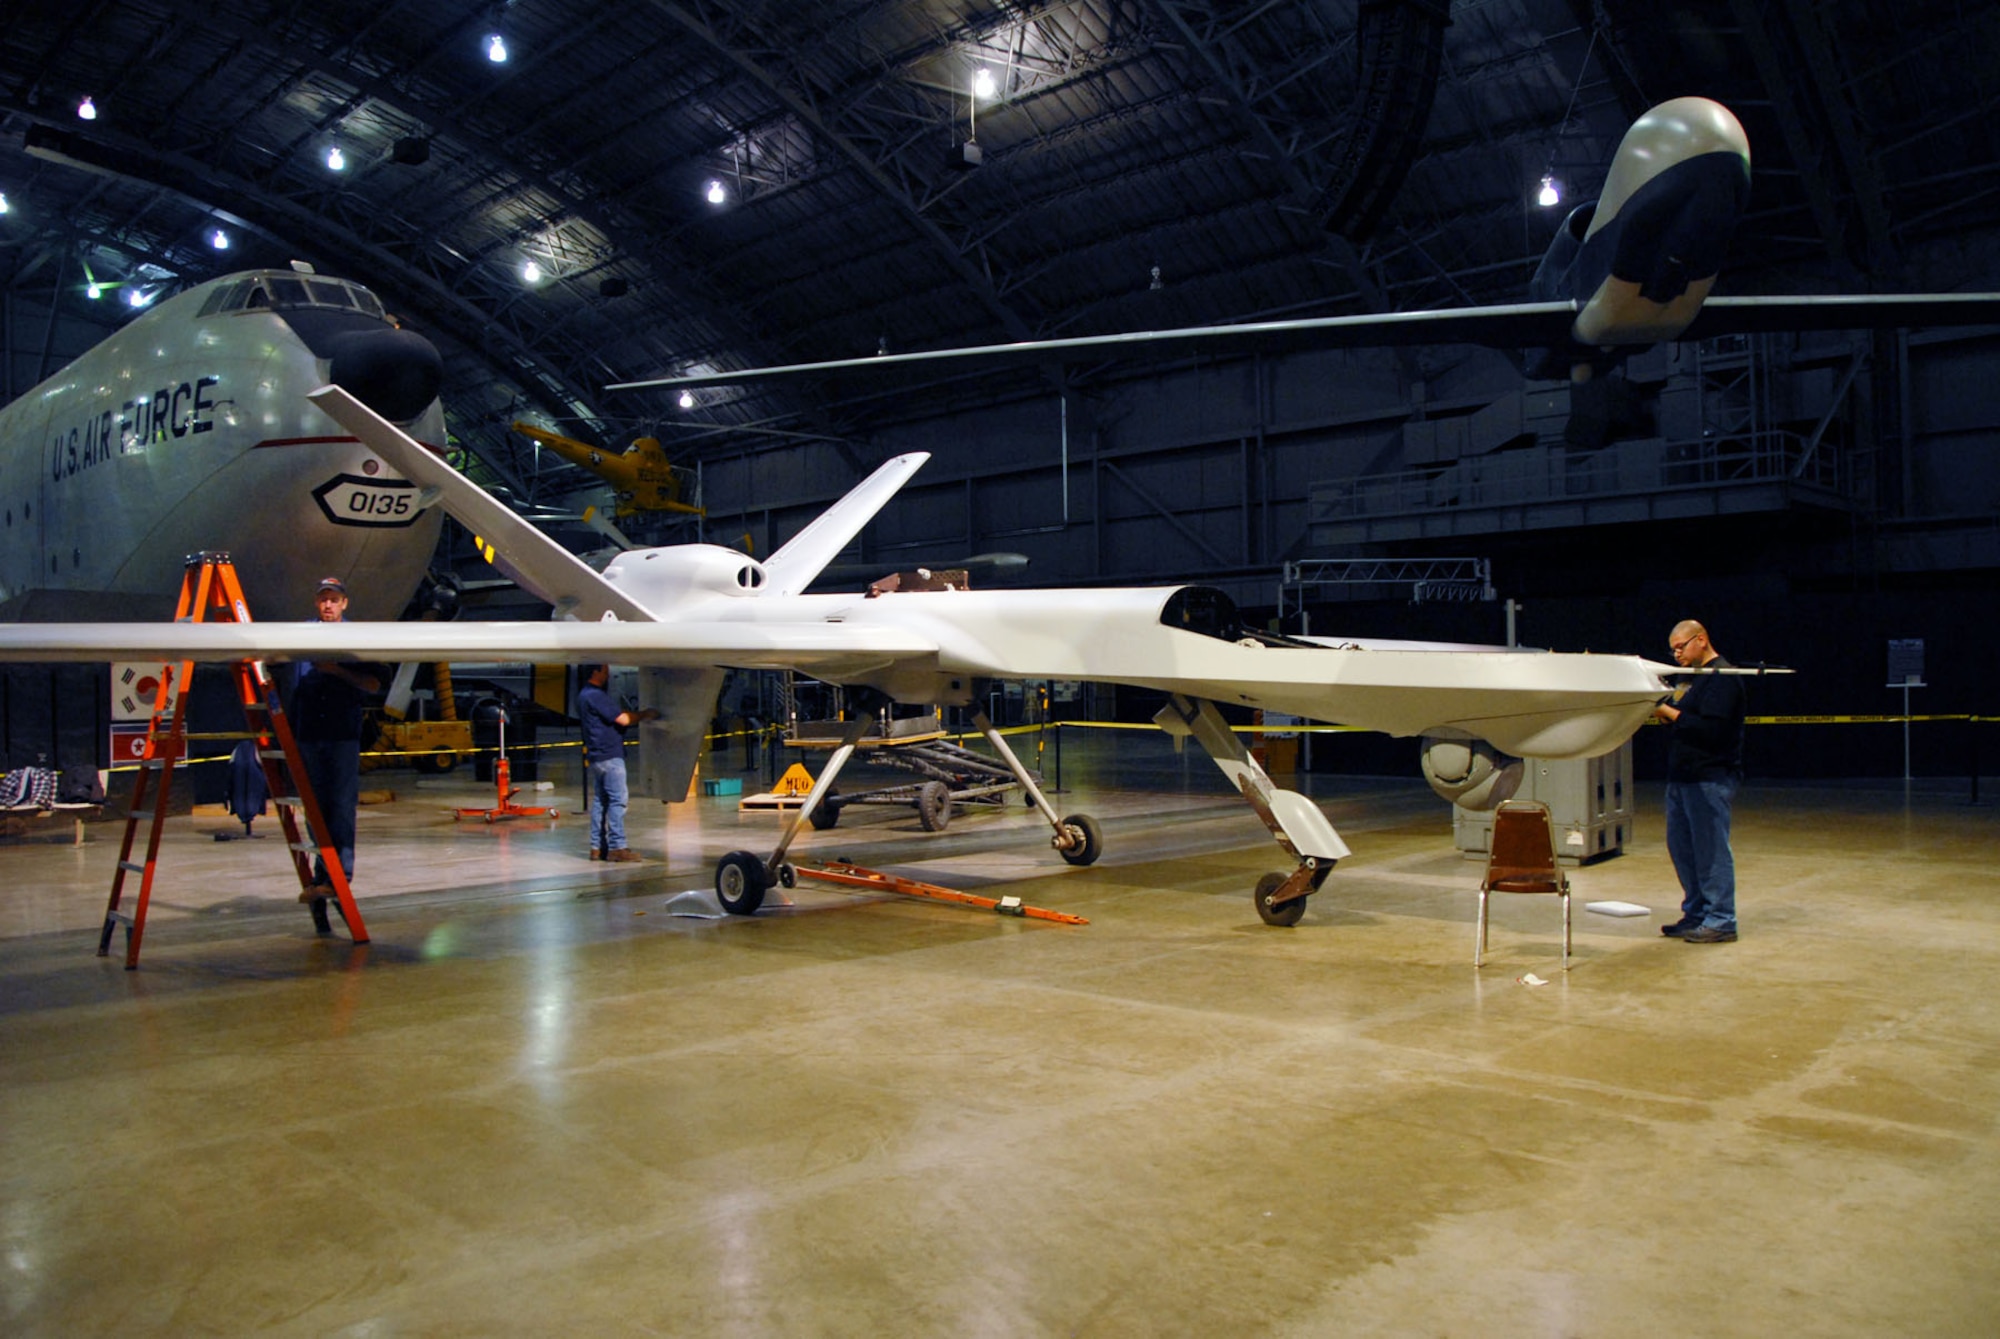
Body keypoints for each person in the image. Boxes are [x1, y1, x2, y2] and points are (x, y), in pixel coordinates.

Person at [287, 577, 387, 899]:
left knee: (341, 806)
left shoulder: (356, 639)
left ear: (344, 603)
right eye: (323, 599)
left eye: (334, 599)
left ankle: (340, 875)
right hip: (308, 734)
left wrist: (335, 671)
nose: (328, 605)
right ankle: (323, 874)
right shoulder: (302, 635)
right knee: (314, 808)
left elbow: (373, 684)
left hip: (342, 735)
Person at [1653, 619, 1747, 943]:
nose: (1677, 654)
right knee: (1683, 849)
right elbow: (1683, 724)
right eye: (1673, 649)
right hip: (1682, 777)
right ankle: (1696, 913)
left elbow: (1711, 730)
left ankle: (1721, 919)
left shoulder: (1724, 678)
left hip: (1709, 778)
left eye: (1681, 647)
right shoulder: (1691, 679)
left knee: (1711, 851)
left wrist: (1667, 712)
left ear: (1701, 639)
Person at [579, 664, 657, 862]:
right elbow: (622, 719)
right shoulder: (596, 696)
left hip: (596, 756)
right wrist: (645, 714)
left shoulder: (583, 695)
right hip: (610, 756)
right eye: (605, 670)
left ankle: (596, 847)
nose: (608, 673)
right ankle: (617, 847)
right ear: (595, 671)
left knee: (600, 802)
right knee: (617, 801)